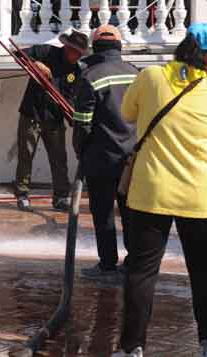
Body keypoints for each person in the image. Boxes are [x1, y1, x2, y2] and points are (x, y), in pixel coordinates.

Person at [113, 23, 207, 357]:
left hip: (150, 194)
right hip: (198, 197)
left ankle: (132, 348)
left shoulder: (150, 77)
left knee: (141, 271)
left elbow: (128, 113)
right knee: (204, 273)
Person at [73, 25, 138, 280]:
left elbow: (83, 123)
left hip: (102, 158)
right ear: (119, 48)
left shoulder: (90, 76)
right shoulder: (136, 73)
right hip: (133, 157)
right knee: (131, 212)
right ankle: (134, 263)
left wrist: (80, 150)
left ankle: (107, 265)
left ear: (95, 48)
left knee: (104, 213)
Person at [13, 30, 89, 212]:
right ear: (67, 47)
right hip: (32, 113)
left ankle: (61, 197)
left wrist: (70, 110)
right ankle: (22, 194)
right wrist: (36, 64)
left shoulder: (76, 70)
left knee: (59, 159)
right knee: (26, 156)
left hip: (55, 118)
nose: (76, 56)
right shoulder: (46, 52)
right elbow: (18, 55)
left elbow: (71, 97)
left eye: (80, 53)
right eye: (74, 51)